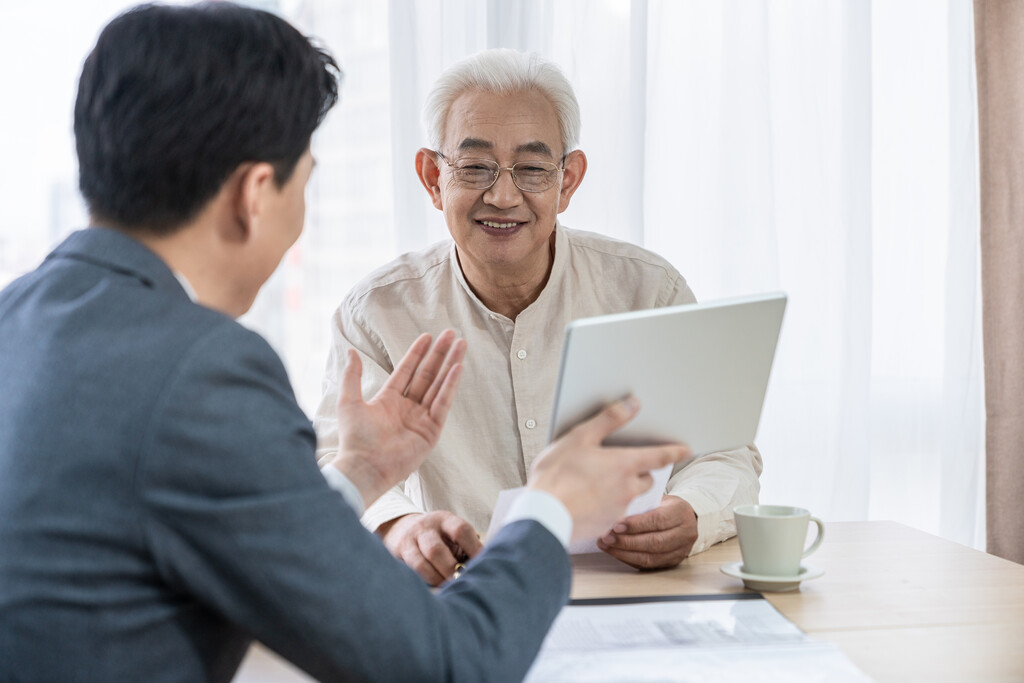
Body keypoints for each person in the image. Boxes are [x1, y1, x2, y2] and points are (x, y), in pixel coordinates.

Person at [0, 5, 691, 682]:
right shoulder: (204, 372)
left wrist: (356, 472)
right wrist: (553, 501)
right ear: (255, 192)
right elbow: (447, 662)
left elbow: (205, 531)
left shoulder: (18, 318)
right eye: (308, 179)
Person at [313, 48, 763, 585]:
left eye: (530, 169)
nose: (503, 196)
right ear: (433, 177)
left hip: (625, 589)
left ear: (567, 180)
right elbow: (336, 461)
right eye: (476, 167)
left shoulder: (648, 289)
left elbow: (725, 451)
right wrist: (400, 525)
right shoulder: (378, 313)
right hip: (463, 598)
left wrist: (692, 511)